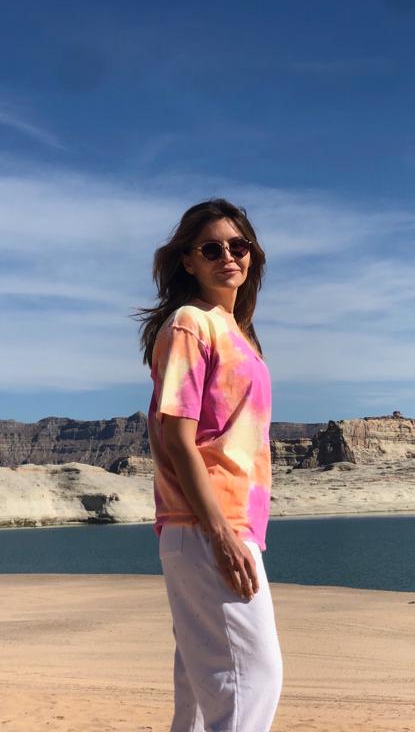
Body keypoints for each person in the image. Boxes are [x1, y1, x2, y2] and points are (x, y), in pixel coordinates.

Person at [137, 198, 283, 732]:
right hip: (207, 525)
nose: (228, 257)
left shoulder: (236, 330)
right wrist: (220, 532)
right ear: (188, 260)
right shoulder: (190, 323)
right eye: (211, 249)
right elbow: (177, 437)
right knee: (253, 681)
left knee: (202, 695)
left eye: (238, 246)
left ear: (252, 255)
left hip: (215, 526)